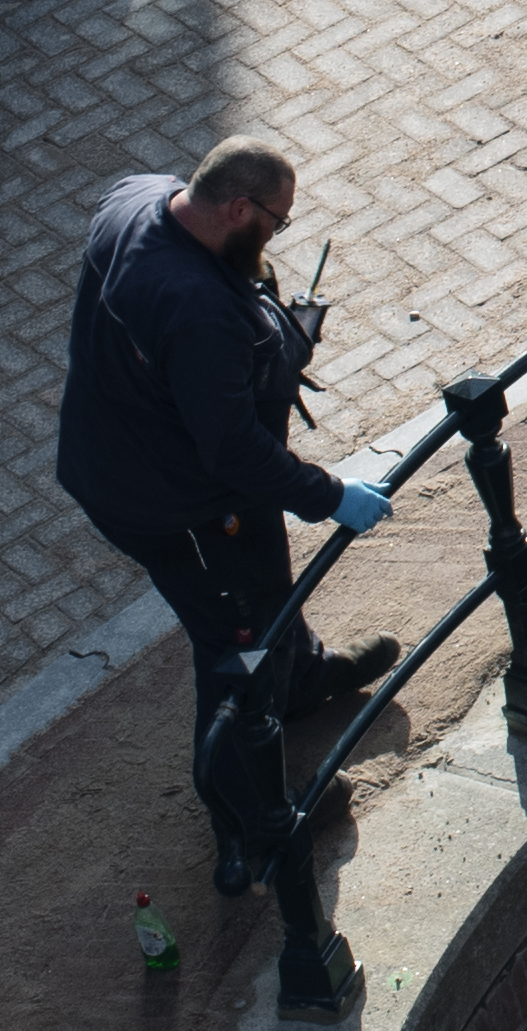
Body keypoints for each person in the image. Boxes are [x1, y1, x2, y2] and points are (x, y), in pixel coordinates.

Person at [50, 134, 397, 948]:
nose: (275, 236)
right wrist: (330, 496)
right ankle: (247, 819)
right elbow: (235, 451)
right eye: (275, 222)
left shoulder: (136, 197)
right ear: (238, 209)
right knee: (236, 640)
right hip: (173, 503)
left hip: (117, 457)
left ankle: (300, 677)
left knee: (264, 589)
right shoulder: (201, 312)